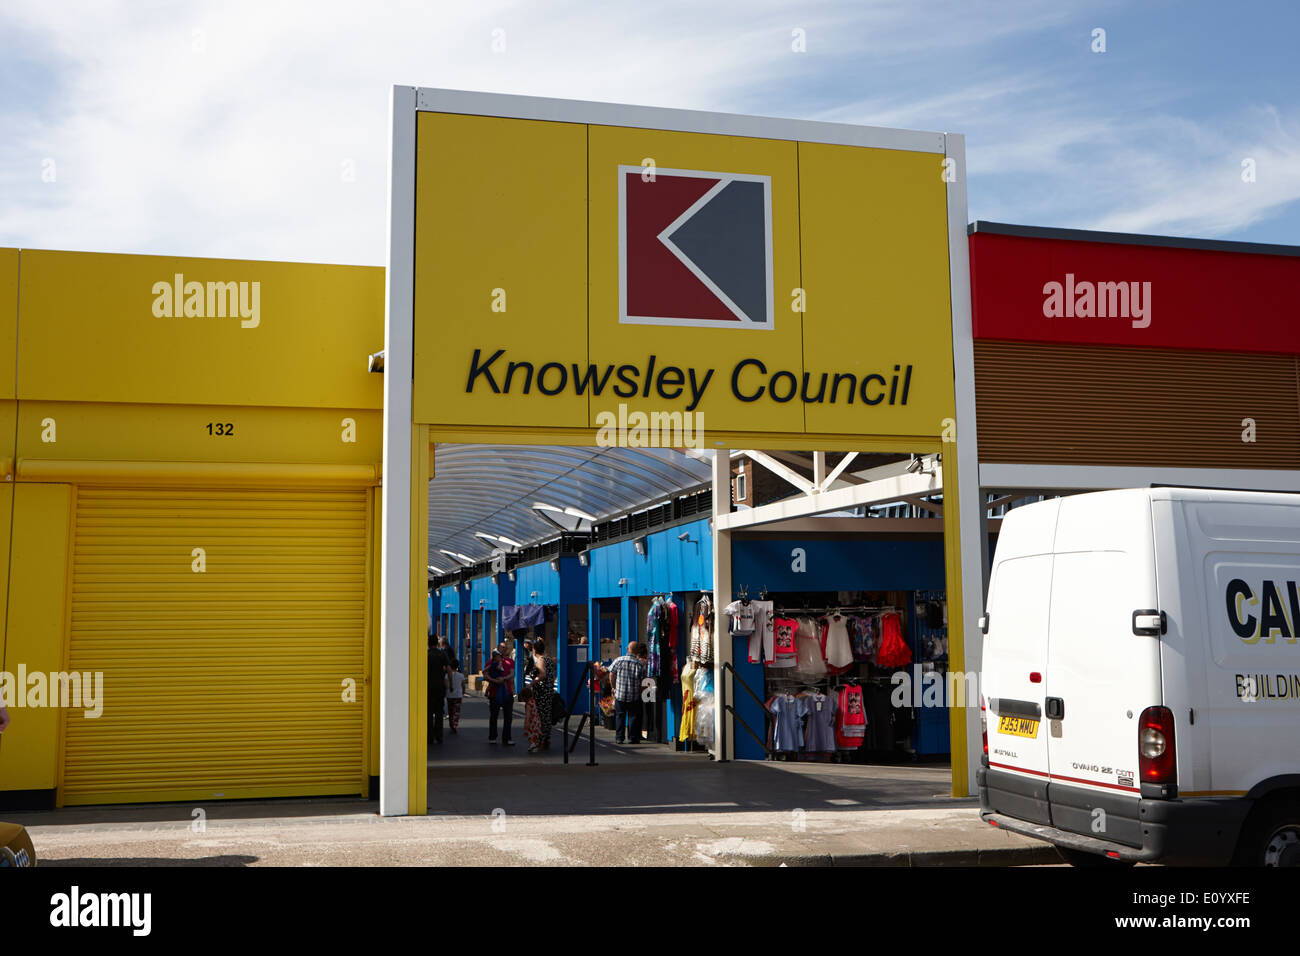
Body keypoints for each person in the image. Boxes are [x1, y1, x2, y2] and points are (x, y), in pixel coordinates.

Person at [609, 642, 649, 744]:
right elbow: (644, 681)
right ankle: (632, 738)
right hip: (634, 695)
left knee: (619, 716)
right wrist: (640, 692)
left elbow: (611, 674)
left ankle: (619, 738)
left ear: (627, 649)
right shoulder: (639, 664)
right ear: (637, 651)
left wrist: (613, 687)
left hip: (620, 694)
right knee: (633, 716)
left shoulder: (619, 660)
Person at [484, 649, 515, 746]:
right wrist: (494, 680)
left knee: (508, 716)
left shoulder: (510, 662)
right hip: (494, 692)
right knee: (494, 715)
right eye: (501, 649)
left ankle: (507, 738)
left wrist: (504, 679)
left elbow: (512, 674)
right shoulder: (490, 662)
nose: (504, 650)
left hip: (507, 692)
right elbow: (485, 675)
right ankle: (492, 737)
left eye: (505, 648)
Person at [531, 638, 556, 752]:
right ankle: (547, 738)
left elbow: (542, 674)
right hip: (549, 691)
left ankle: (540, 739)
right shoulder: (549, 659)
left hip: (542, 692)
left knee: (540, 716)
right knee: (546, 715)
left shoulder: (541, 660)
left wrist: (531, 683)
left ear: (534, 650)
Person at [427, 635, 450, 744]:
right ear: (437, 643)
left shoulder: (426, 655)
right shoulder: (442, 654)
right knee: (439, 712)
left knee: (429, 712)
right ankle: (439, 736)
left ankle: (429, 736)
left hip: (428, 687)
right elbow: (449, 670)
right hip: (440, 686)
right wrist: (450, 683)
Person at [446, 658, 465, 734]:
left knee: (450, 711)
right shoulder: (461, 675)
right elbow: (463, 685)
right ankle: (455, 725)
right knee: (456, 710)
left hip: (449, 695)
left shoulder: (447, 675)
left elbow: (445, 684)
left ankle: (451, 724)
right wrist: (463, 692)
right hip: (458, 695)